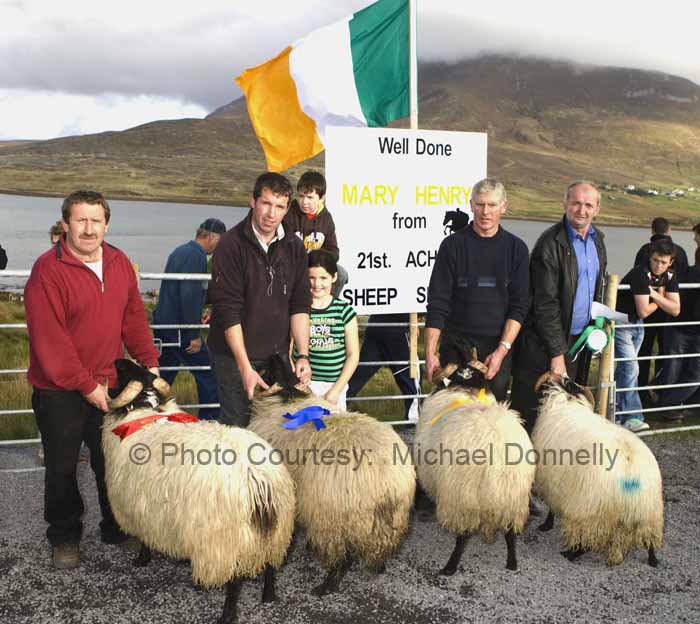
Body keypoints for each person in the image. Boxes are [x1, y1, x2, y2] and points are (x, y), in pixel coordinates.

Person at [24, 190, 159, 570]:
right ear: (65, 224)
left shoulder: (118, 263)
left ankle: (116, 526)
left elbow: (133, 317)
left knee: (112, 463)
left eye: (95, 220)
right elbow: (52, 342)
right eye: (80, 220)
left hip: (110, 382)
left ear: (106, 224)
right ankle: (65, 537)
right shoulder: (47, 271)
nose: (88, 229)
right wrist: (86, 386)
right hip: (60, 391)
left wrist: (149, 363)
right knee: (62, 468)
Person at [207, 172, 311, 427]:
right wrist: (244, 367)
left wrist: (303, 355)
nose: (271, 213)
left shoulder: (294, 246)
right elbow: (228, 310)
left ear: (287, 209)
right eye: (265, 203)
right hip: (233, 356)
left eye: (279, 207)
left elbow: (299, 304)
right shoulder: (230, 245)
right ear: (252, 201)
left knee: (279, 425)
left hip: (276, 354)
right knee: (239, 426)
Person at [511, 181, 607, 433]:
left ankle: (554, 471)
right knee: (529, 417)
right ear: (564, 204)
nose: (581, 210)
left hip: (576, 345)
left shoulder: (599, 241)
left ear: (597, 208)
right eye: (575, 203)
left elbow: (594, 290)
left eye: (588, 204)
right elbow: (545, 305)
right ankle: (518, 471)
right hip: (543, 348)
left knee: (564, 420)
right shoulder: (549, 245)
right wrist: (557, 355)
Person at [424, 178, 529, 402]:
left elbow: (519, 305)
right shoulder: (452, 246)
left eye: (492, 205)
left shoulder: (516, 249)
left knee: (491, 415)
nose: (485, 212)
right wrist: (431, 352)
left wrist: (502, 350)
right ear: (471, 205)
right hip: (456, 345)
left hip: (497, 346)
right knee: (452, 409)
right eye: (480, 204)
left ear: (504, 206)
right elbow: (437, 301)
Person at [152, 218, 225, 420]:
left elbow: (181, 294)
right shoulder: (196, 256)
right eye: (220, 239)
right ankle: (210, 419)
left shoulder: (181, 250)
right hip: (179, 329)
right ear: (211, 237)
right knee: (207, 371)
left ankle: (147, 413)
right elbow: (189, 294)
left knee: (163, 375)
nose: (221, 244)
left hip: (164, 325)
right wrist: (193, 333)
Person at [615, 240, 680, 432]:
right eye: (655, 260)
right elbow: (643, 310)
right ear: (650, 258)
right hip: (620, 322)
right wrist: (662, 298)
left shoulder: (669, 275)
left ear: (670, 262)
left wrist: (656, 294)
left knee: (625, 370)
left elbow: (676, 309)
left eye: (663, 262)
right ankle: (634, 416)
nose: (658, 265)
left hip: (637, 325)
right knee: (630, 368)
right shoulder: (640, 273)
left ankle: (617, 412)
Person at [293, 249, 358, 409]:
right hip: (304, 386)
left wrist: (336, 390)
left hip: (334, 387)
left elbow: (353, 355)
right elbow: (288, 350)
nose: (317, 284)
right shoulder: (297, 310)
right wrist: (298, 382)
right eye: (311, 278)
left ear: (334, 277)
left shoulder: (344, 310)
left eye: (323, 278)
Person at [633, 217, 688, 404]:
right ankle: (660, 390)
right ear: (669, 230)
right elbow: (685, 278)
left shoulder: (644, 250)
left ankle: (641, 391)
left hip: (647, 308)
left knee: (644, 352)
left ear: (652, 230)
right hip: (668, 312)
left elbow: (637, 274)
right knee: (665, 353)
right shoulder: (679, 251)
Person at [284, 170, 349, 294]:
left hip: (316, 265)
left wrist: (319, 259)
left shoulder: (326, 218)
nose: (304, 202)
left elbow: (334, 252)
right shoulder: (290, 212)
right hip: (293, 265)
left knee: (341, 275)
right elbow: (285, 246)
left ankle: (328, 307)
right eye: (301, 196)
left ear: (322, 198)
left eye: (310, 197)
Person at [347, 313, 422, 421]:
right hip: (392, 327)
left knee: (356, 376)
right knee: (410, 378)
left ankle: (334, 409)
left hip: (381, 326)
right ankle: (413, 422)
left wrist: (414, 321)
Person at [654, 247, 700, 422]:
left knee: (674, 369)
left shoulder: (681, 273)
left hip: (677, 327)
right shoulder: (687, 274)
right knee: (691, 374)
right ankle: (667, 406)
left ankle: (665, 403)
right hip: (684, 329)